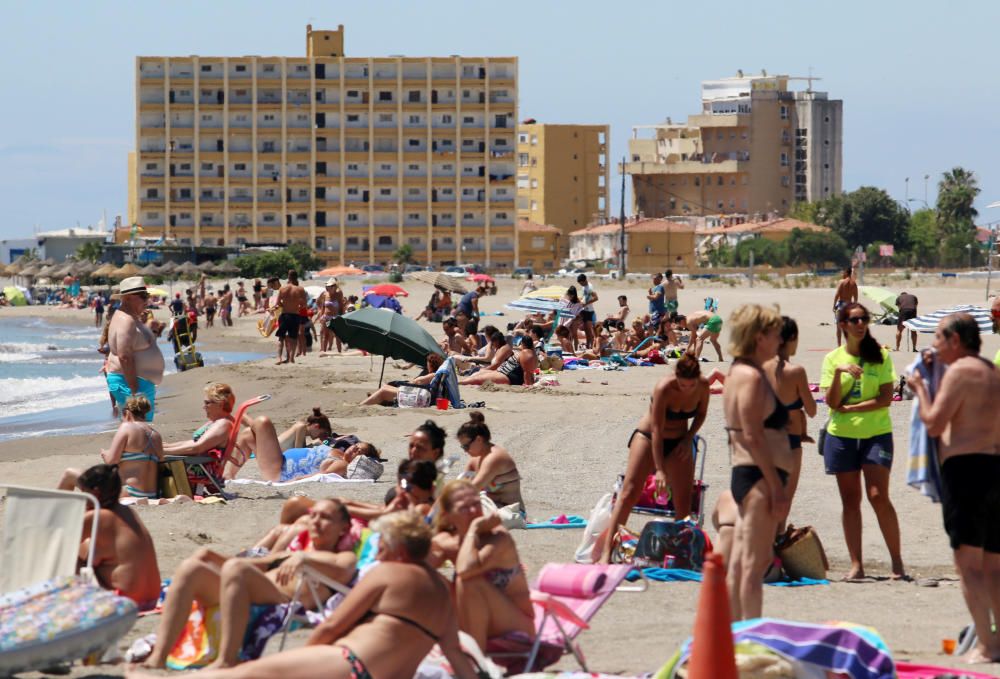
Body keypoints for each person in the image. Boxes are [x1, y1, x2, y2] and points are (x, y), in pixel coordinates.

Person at [131, 511, 479, 679]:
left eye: (384, 547)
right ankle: (159, 659)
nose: (380, 554)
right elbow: (456, 655)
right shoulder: (442, 594)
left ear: (398, 550)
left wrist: (296, 664)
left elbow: (331, 629)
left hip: (350, 664)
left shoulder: (389, 573)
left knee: (233, 677)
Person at [140, 499, 356, 670]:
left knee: (237, 570)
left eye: (325, 517)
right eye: (313, 515)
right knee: (191, 567)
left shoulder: (344, 557)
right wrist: (209, 555)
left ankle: (227, 660)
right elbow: (254, 563)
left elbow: (343, 569)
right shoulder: (291, 553)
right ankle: (159, 656)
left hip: (282, 601)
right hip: (248, 588)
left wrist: (304, 558)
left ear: (343, 527)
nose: (316, 522)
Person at [909, 313, 1000, 664]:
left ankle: (988, 644)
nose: (933, 345)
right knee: (993, 565)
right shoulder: (992, 372)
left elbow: (934, 424)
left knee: (968, 564)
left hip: (968, 472)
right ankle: (997, 639)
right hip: (995, 470)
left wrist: (919, 387)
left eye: (937, 338)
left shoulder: (961, 372)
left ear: (955, 340)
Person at [821, 302, 905, 581]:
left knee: (878, 496)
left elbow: (885, 398)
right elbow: (831, 403)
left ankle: (897, 562)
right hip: (841, 436)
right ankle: (856, 564)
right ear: (843, 325)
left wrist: (852, 409)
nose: (860, 324)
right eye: (854, 320)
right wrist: (839, 374)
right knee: (850, 500)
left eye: (864, 319)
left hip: (875, 433)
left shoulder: (880, 355)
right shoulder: (832, 358)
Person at [599, 353, 710, 564]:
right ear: (675, 377)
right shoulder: (664, 388)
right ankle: (607, 553)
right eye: (682, 385)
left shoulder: (703, 386)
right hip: (649, 437)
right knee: (629, 492)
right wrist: (659, 469)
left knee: (683, 500)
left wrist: (688, 439)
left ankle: (679, 554)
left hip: (679, 440)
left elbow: (701, 414)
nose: (686, 389)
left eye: (691, 385)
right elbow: (657, 429)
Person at [723, 304, 793, 620]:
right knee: (755, 564)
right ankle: (747, 639)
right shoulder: (750, 377)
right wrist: (777, 486)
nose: (780, 340)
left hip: (747, 473)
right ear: (760, 336)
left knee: (741, 563)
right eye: (776, 333)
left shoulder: (737, 372)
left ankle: (735, 636)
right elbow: (752, 434)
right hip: (759, 478)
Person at [430, 481, 534, 650]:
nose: (473, 511)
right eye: (464, 508)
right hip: (474, 619)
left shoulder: (498, 538)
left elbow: (465, 570)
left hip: (518, 626)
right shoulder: (447, 540)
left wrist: (472, 529)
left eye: (476, 503)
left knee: (470, 583)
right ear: (448, 515)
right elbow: (416, 570)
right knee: (430, 578)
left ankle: (476, 664)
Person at [74, 464, 161, 609]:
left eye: (84, 493)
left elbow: (59, 541)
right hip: (153, 596)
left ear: (95, 493)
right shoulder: (128, 512)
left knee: (72, 554)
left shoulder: (98, 516)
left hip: (125, 601)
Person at [59, 394, 164, 499]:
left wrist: (105, 454)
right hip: (153, 493)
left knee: (70, 474)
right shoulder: (156, 435)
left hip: (131, 492)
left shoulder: (127, 427)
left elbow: (111, 462)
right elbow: (160, 461)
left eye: (121, 416)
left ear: (127, 413)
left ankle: (51, 510)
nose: (122, 420)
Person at [763, 317, 816, 507]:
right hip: (790, 440)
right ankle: (778, 536)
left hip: (764, 440)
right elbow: (812, 410)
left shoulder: (760, 367)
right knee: (783, 503)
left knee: (765, 502)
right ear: (792, 337)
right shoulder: (796, 372)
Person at [106, 277, 164, 421]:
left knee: (134, 430)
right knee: (141, 431)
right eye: (143, 297)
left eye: (147, 296)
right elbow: (124, 355)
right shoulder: (127, 320)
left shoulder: (128, 317)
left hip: (130, 381)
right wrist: (134, 389)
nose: (147, 300)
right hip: (130, 383)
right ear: (128, 298)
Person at [456, 411, 525, 517]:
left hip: (512, 512)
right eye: (463, 447)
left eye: (466, 446)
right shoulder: (475, 460)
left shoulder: (494, 458)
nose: (465, 451)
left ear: (479, 439)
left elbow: (472, 489)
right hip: (493, 508)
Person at [162, 383, 236, 480]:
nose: (204, 407)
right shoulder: (216, 422)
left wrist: (162, 451)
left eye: (207, 403)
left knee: (148, 460)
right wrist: (166, 446)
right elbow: (194, 443)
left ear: (220, 404)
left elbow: (197, 448)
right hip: (196, 461)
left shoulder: (223, 424)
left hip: (199, 467)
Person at [359, 353, 445, 406]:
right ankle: (374, 399)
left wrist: (412, 380)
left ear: (431, 365)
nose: (427, 366)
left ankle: (362, 405)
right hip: (421, 396)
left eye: (428, 364)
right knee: (385, 387)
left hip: (421, 398)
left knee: (383, 391)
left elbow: (417, 382)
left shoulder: (434, 374)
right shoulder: (436, 375)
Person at [459, 335, 537, 387]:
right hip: (503, 373)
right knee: (477, 373)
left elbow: (527, 372)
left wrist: (528, 385)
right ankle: (459, 383)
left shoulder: (525, 353)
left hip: (507, 376)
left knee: (477, 379)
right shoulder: (528, 352)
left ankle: (458, 384)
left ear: (523, 343)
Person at [275, 269, 308, 364]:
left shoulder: (282, 289)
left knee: (281, 337)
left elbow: (278, 304)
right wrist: (297, 305)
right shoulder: (300, 289)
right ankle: (292, 358)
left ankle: (279, 358)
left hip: (285, 315)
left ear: (288, 277)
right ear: (296, 277)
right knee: (293, 338)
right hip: (295, 315)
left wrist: (284, 305)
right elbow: (304, 305)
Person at [833, 266, 858, 346]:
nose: (843, 273)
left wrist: (834, 305)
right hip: (849, 306)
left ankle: (839, 345)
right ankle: (849, 344)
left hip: (840, 305)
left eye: (844, 272)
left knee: (838, 327)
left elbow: (837, 295)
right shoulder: (854, 284)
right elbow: (856, 298)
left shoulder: (841, 282)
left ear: (847, 273)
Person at [577, 273, 598, 350]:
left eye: (581, 282)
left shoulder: (590, 287)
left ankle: (591, 346)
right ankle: (588, 344)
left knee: (589, 330)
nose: (581, 284)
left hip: (589, 311)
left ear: (584, 280)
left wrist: (585, 304)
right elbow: (584, 297)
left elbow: (596, 298)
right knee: (586, 330)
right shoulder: (584, 287)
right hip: (584, 310)